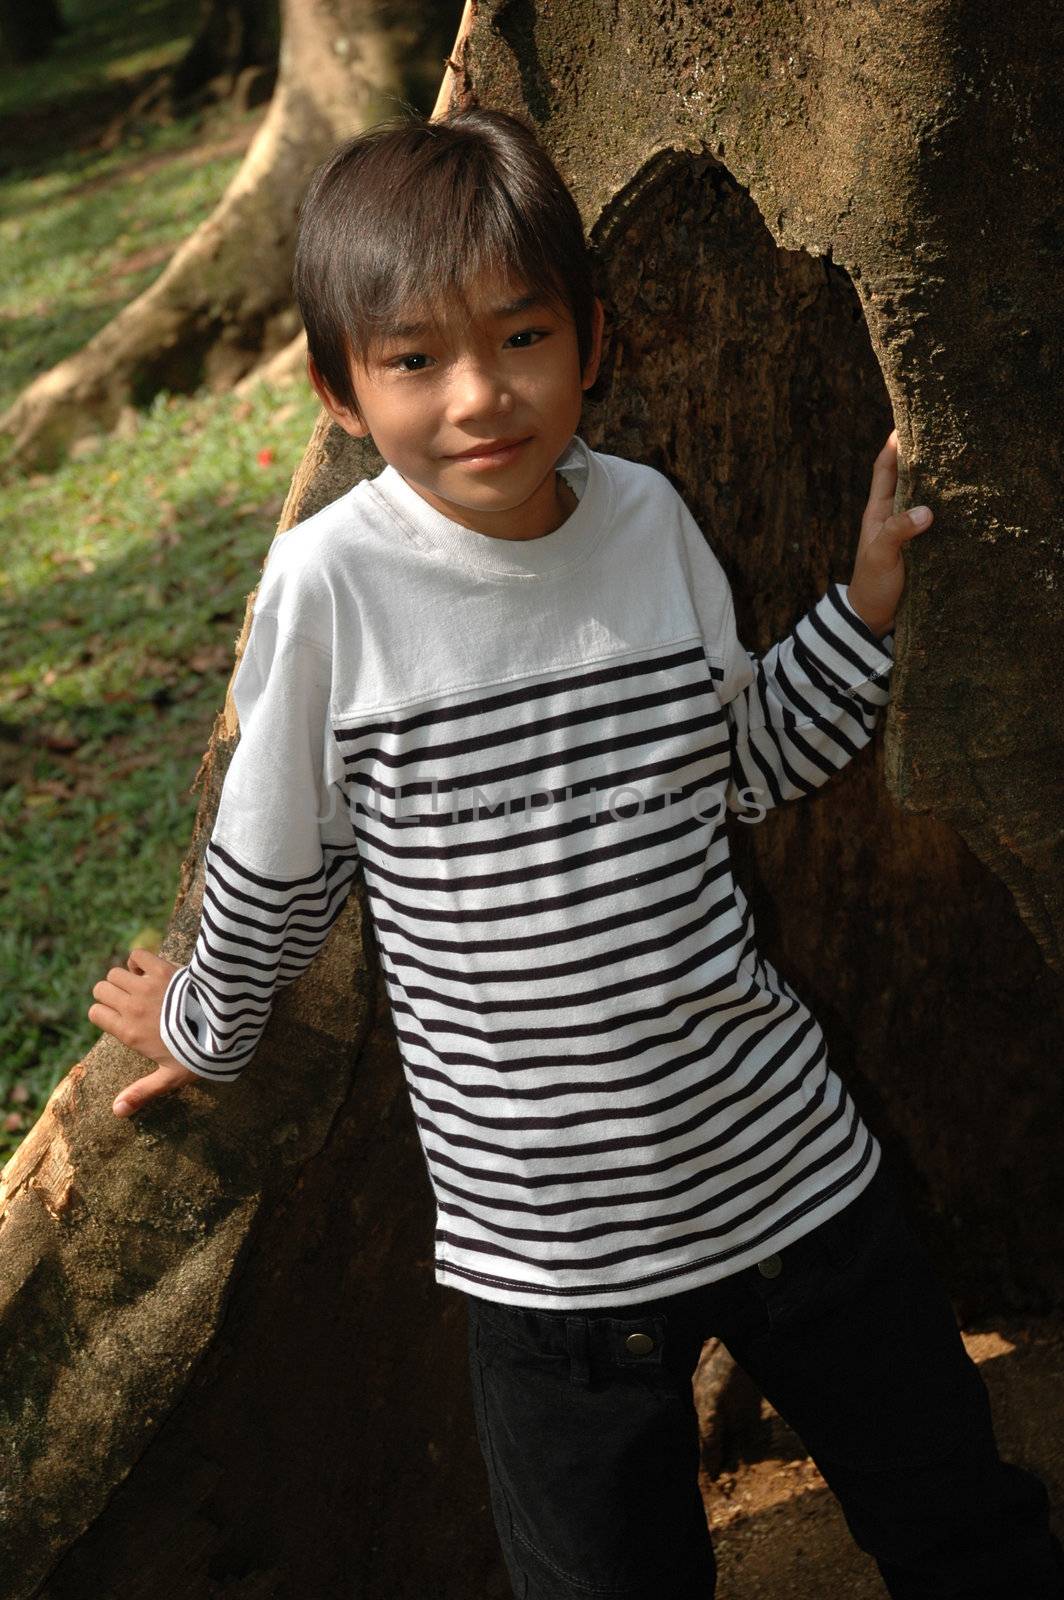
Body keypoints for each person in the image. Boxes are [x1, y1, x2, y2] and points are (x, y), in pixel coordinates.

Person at [87, 107, 1064, 1599]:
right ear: (338, 388)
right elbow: (278, 867)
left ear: (589, 342)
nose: (480, 396)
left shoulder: (645, 520)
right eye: (415, 358)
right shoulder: (331, 586)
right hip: (550, 1266)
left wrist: (862, 612)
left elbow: (739, 767)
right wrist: (203, 1029)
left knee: (961, 1526)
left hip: (790, 1175)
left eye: (521, 336)